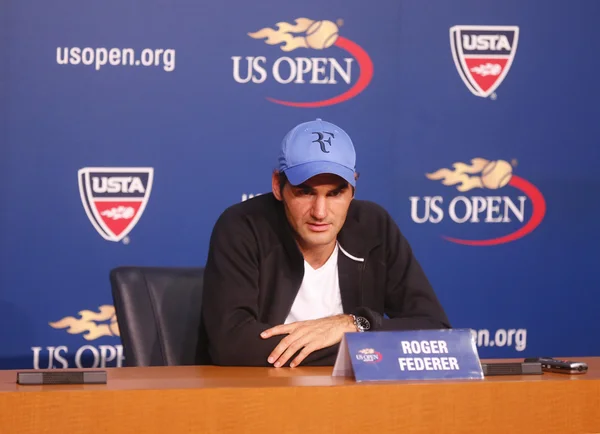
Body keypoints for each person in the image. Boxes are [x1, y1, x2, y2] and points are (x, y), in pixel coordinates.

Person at [198, 118, 450, 368]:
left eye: (335, 193)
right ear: (278, 186)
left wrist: (351, 324)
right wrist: (359, 346)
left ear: (353, 188)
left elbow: (435, 332)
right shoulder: (243, 226)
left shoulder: (374, 226)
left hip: (352, 400)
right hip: (261, 398)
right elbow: (231, 345)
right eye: (305, 192)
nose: (320, 212)